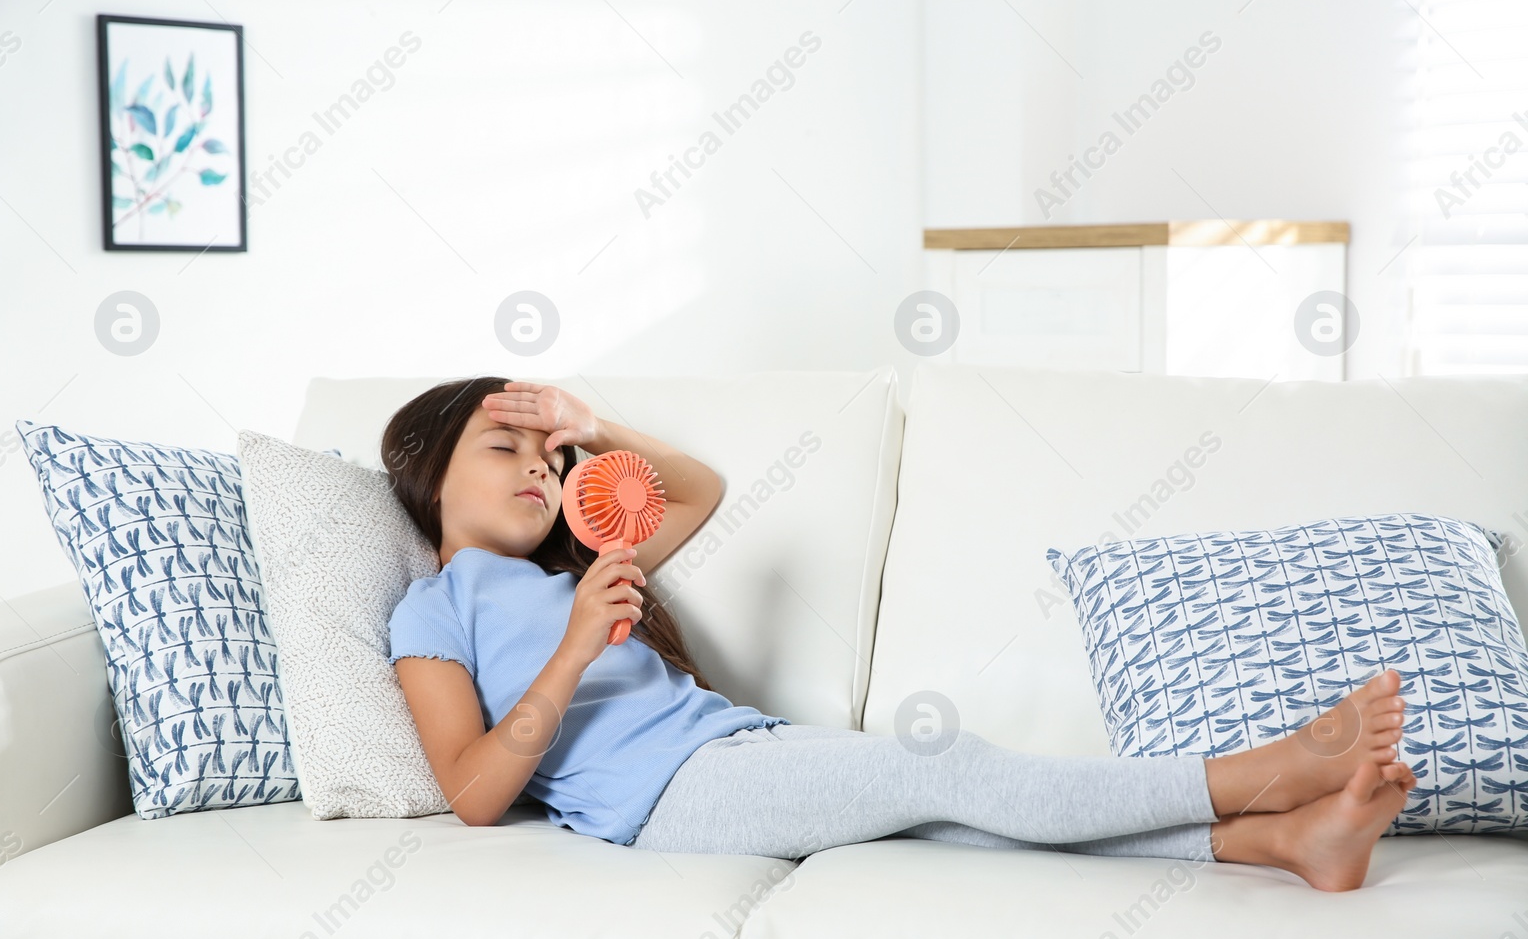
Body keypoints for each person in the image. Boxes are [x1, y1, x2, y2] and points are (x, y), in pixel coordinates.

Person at [383, 376, 1416, 894]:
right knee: (949, 763)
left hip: (739, 749)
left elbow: (698, 488)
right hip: (670, 799)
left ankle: (1280, 840)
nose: (539, 466)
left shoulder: (577, 568)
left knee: (947, 818)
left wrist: (591, 424)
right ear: (432, 472)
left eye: (546, 454)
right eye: (505, 445)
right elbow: (474, 793)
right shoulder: (439, 607)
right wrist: (572, 648)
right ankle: (1256, 773)